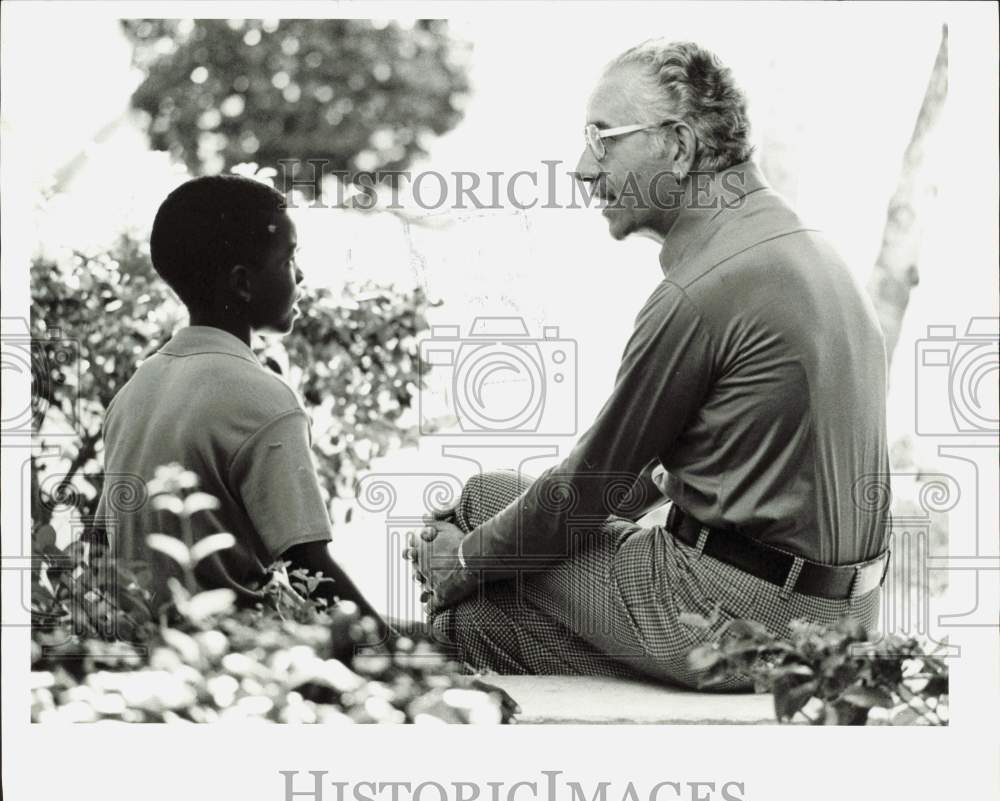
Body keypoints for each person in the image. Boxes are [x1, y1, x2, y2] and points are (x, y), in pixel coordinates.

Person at [410, 40, 891, 687]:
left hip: (743, 611)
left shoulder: (707, 286)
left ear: (680, 146)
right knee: (479, 624)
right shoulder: (801, 249)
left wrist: (462, 561)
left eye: (602, 139)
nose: (583, 168)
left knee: (480, 507)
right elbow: (645, 475)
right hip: (842, 614)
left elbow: (591, 487)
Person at [92, 175, 383, 626]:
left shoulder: (136, 389)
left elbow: (103, 546)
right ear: (243, 283)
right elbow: (310, 567)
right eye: (289, 259)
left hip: (142, 651)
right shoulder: (263, 398)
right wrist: (399, 655)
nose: (301, 275)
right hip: (232, 654)